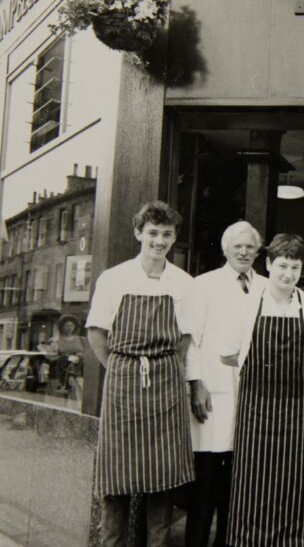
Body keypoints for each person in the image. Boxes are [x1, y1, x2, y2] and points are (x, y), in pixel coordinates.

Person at [86, 201, 198, 547]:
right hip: (123, 384)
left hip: (166, 384)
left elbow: (185, 337)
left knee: (162, 478)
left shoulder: (183, 283)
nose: (159, 241)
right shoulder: (114, 278)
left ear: (174, 237)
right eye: (152, 233)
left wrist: (166, 370)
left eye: (167, 234)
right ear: (139, 233)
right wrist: (122, 370)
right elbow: (96, 333)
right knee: (116, 478)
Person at [221, 233, 304, 547]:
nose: (288, 274)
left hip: (298, 411)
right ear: (268, 264)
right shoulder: (245, 306)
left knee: (292, 483)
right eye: (282, 265)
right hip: (255, 408)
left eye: (295, 267)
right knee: (251, 481)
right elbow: (228, 353)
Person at [184, 221, 266, 547]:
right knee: (206, 479)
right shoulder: (204, 285)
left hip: (250, 396)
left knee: (237, 480)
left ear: (258, 251)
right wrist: (195, 384)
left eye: (250, 247)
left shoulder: (266, 286)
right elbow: (190, 339)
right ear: (225, 249)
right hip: (213, 395)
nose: (244, 252)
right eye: (238, 246)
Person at [38, 314, 88, 400]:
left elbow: (87, 355)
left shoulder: (82, 340)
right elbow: (49, 357)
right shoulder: (54, 340)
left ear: (75, 327)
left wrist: (80, 356)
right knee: (56, 399)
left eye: (72, 325)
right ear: (61, 326)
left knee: (75, 398)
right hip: (58, 375)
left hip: (76, 374)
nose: (69, 328)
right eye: (66, 325)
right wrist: (65, 357)